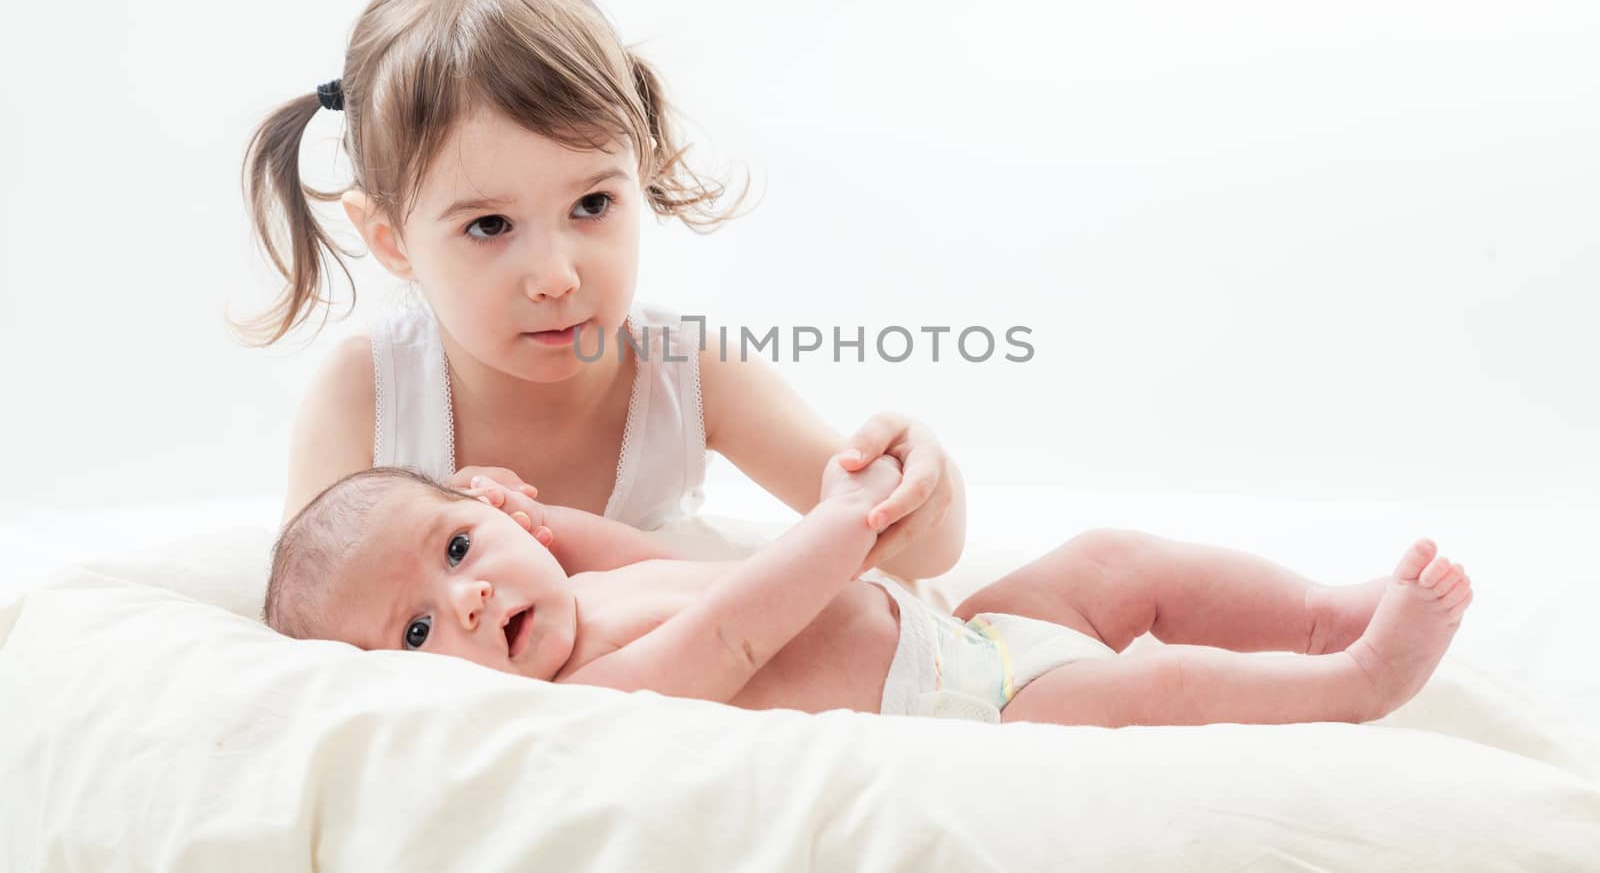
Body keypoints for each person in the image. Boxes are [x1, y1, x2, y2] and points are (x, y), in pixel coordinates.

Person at [236, 0, 965, 584]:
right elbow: (314, 609)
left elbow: (901, 543)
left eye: (592, 203)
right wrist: (426, 538)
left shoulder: (687, 371)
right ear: (391, 238)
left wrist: (926, 488)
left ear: (637, 170)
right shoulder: (369, 393)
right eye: (489, 225)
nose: (556, 275)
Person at [263, 461, 1473, 727]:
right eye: (417, 627)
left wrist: (538, 520)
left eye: (460, 546)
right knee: (1141, 683)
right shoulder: (596, 688)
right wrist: (840, 530)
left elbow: (613, 544)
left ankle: (1319, 609)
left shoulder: (580, 586)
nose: (467, 599)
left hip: (964, 634)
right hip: (970, 708)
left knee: (1111, 556)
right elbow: (737, 622)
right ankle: (1348, 679)